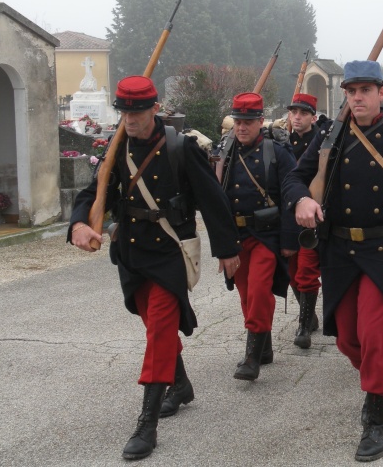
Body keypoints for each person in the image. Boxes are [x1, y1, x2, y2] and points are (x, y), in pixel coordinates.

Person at [69, 76, 240, 461]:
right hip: (131, 252)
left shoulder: (181, 147)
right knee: (155, 329)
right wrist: (79, 222)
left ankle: (147, 424)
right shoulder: (117, 148)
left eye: (138, 111)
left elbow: (212, 200)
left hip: (169, 252)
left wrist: (227, 249)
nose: (130, 119)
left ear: (154, 108)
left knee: (161, 327)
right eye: (125, 111)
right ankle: (180, 385)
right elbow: (93, 192)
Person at [283, 60, 383, 462]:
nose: (357, 98)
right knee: (349, 337)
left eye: (365, 91)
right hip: (339, 252)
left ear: (379, 94)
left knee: (375, 333)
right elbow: (293, 178)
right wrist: (301, 198)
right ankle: (375, 377)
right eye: (351, 91)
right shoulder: (331, 137)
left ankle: (375, 418)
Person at [218, 92, 300, 380]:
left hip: (268, 235)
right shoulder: (226, 151)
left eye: (248, 122)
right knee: (245, 295)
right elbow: (216, 198)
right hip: (237, 236)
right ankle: (264, 348)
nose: (242, 127)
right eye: (238, 122)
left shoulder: (276, 152)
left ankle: (251, 358)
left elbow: (291, 195)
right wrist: (222, 244)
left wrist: (290, 241)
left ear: (260, 122)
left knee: (259, 290)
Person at [286, 93, 322, 348]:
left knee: (306, 272)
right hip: (289, 216)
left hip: (313, 217)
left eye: (303, 113)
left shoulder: (322, 143)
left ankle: (304, 326)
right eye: (293, 112)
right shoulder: (282, 142)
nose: (297, 117)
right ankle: (311, 317)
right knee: (291, 274)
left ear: (313, 117)